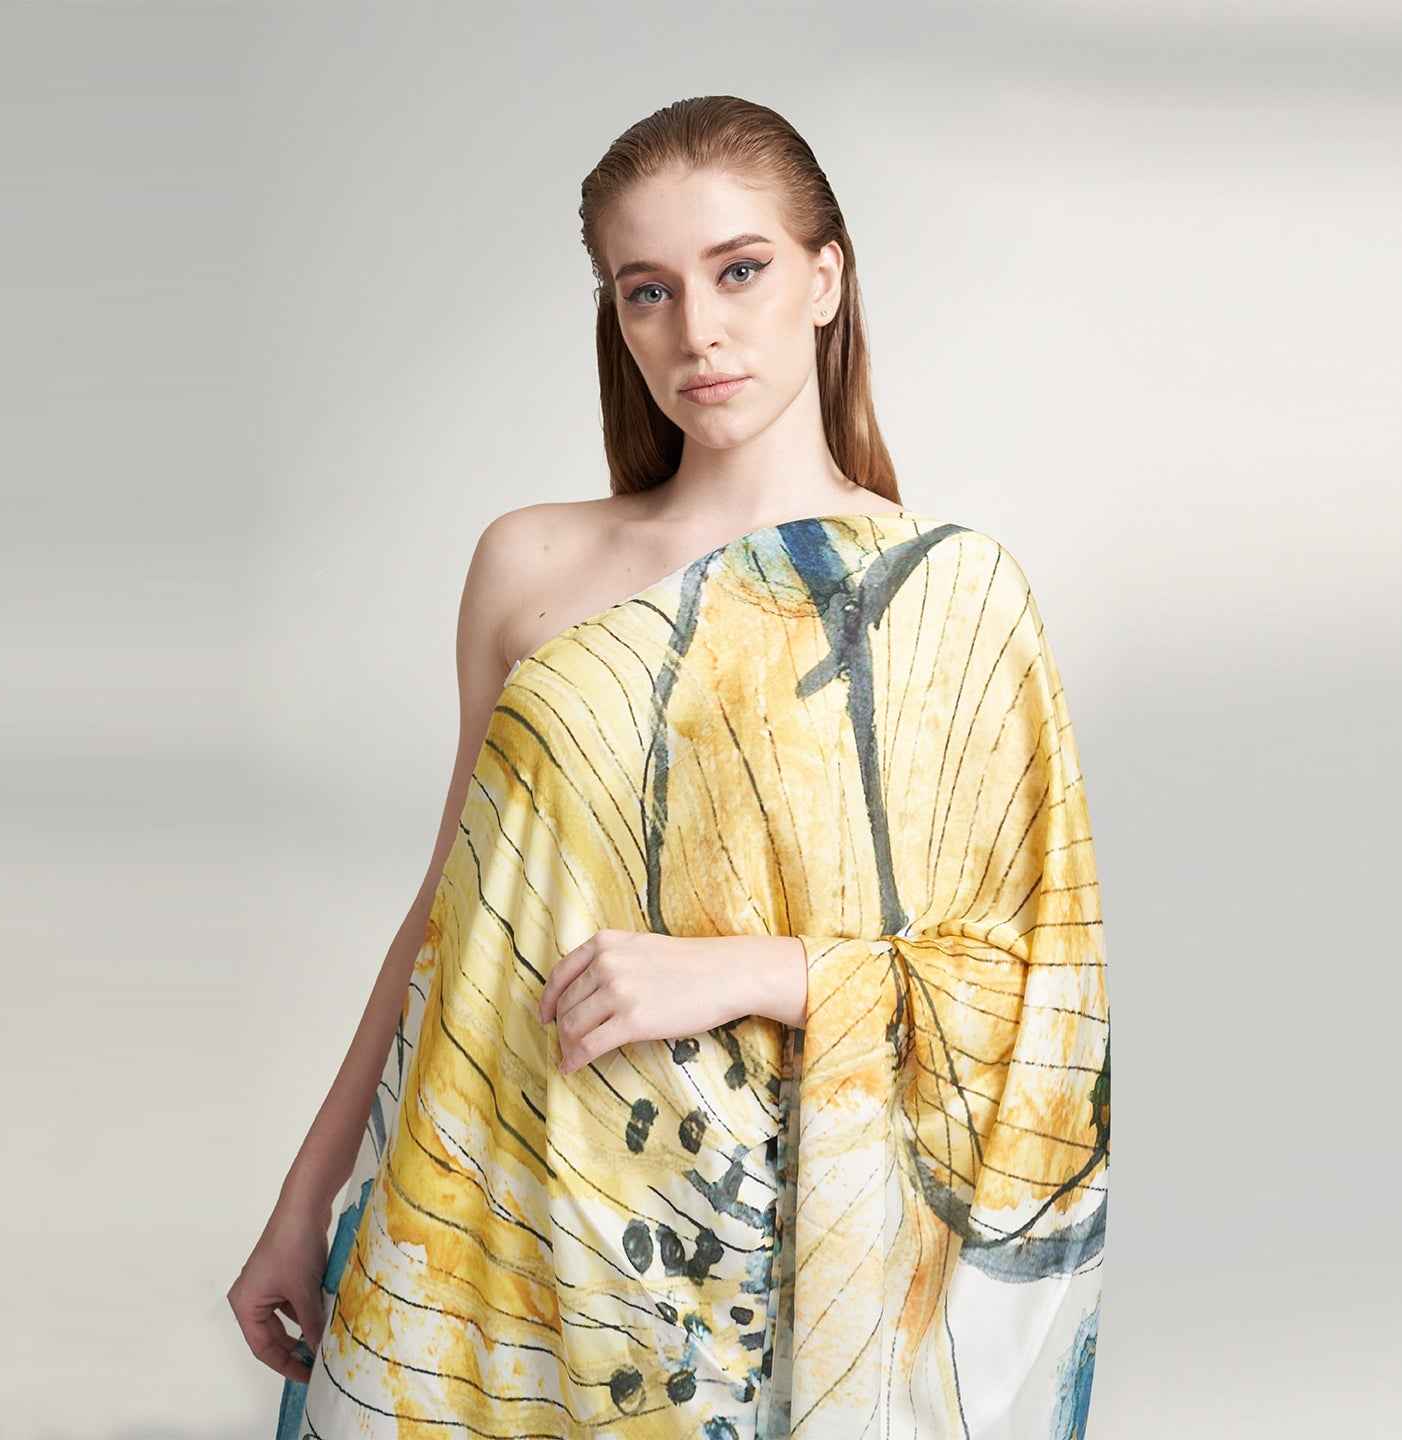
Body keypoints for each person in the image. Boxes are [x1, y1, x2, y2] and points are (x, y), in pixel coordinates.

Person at [229, 95, 1111, 1439]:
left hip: (739, 1275)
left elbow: (1033, 989)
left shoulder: (952, 597)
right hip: (474, 1229)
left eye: (739, 270)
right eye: (647, 290)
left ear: (825, 280)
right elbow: (449, 914)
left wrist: (754, 971)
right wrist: (304, 1200)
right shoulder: (529, 562)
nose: (696, 330)